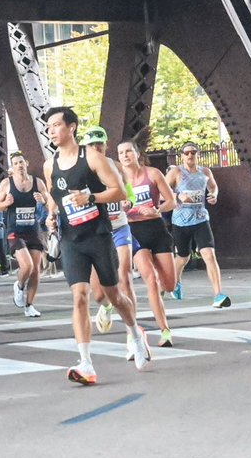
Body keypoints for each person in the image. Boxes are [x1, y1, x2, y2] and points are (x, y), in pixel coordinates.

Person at [42, 107, 149, 385]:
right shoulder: (49, 164)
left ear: (72, 127)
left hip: (98, 235)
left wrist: (90, 198)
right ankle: (86, 363)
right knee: (79, 295)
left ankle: (135, 335)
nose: (52, 131)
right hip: (70, 239)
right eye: (49, 127)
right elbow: (55, 196)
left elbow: (118, 190)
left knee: (114, 295)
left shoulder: (91, 157)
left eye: (56, 125)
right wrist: (51, 217)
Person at [81, 126, 158, 356]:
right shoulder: (83, 171)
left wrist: (129, 202)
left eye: (100, 144)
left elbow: (129, 193)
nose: (96, 148)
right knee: (98, 293)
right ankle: (105, 307)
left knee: (124, 277)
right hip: (95, 231)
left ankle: (131, 335)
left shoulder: (116, 167)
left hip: (119, 227)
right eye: (91, 145)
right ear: (86, 147)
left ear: (105, 145)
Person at [117, 140, 176, 347]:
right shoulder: (118, 180)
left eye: (128, 152)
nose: (125, 156)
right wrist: (121, 209)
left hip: (156, 228)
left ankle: (160, 295)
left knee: (169, 284)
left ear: (136, 153)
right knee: (150, 278)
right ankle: (165, 331)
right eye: (121, 153)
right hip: (134, 231)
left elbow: (171, 201)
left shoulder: (152, 174)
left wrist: (156, 210)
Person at [166, 142, 229, 308]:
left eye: (193, 152)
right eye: (186, 153)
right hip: (180, 220)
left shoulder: (205, 172)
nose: (190, 155)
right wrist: (179, 196)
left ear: (198, 154)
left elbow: (213, 186)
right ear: (181, 156)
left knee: (209, 254)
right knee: (183, 257)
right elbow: (162, 191)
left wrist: (213, 195)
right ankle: (175, 282)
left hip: (201, 218)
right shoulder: (176, 172)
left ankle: (218, 295)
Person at [0, 151, 47, 317]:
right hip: (15, 231)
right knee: (27, 266)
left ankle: (29, 306)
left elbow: (48, 203)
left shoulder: (38, 183)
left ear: (27, 163)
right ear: (12, 167)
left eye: (21, 162)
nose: (19, 165)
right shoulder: (6, 183)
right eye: (15, 163)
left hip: (33, 230)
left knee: (36, 271)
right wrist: (6, 202)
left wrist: (43, 201)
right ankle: (18, 285)